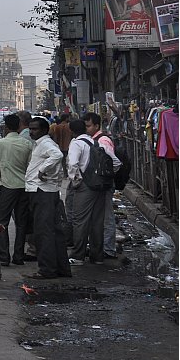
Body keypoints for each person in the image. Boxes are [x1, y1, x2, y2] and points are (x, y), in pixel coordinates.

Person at [68, 113, 121, 265]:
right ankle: (97, 257)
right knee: (97, 221)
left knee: (80, 221)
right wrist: (105, 177)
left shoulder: (77, 144)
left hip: (85, 186)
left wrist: (77, 181)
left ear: (72, 131)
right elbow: (116, 163)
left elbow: (72, 165)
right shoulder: (98, 143)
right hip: (100, 186)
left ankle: (78, 256)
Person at [23, 117, 71, 280]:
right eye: (30, 128)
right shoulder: (40, 144)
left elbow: (57, 155)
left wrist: (43, 170)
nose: (31, 132)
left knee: (43, 232)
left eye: (35, 129)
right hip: (44, 191)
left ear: (43, 130)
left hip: (42, 191)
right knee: (53, 231)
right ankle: (60, 268)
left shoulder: (46, 143)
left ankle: (47, 269)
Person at [0, 113, 34, 267]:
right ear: (19, 127)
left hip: (8, 186)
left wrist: (3, 178)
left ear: (6, 127)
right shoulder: (27, 144)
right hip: (24, 187)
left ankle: (4, 256)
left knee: (2, 222)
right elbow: (30, 165)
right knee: (21, 222)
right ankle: (18, 256)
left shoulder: (1, 143)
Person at [85, 112, 123, 261]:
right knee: (98, 216)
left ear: (96, 125)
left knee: (107, 217)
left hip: (104, 185)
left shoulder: (103, 141)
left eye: (88, 126)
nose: (87, 128)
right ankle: (100, 246)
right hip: (98, 185)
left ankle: (109, 249)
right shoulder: (93, 140)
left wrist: (106, 178)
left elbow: (115, 163)